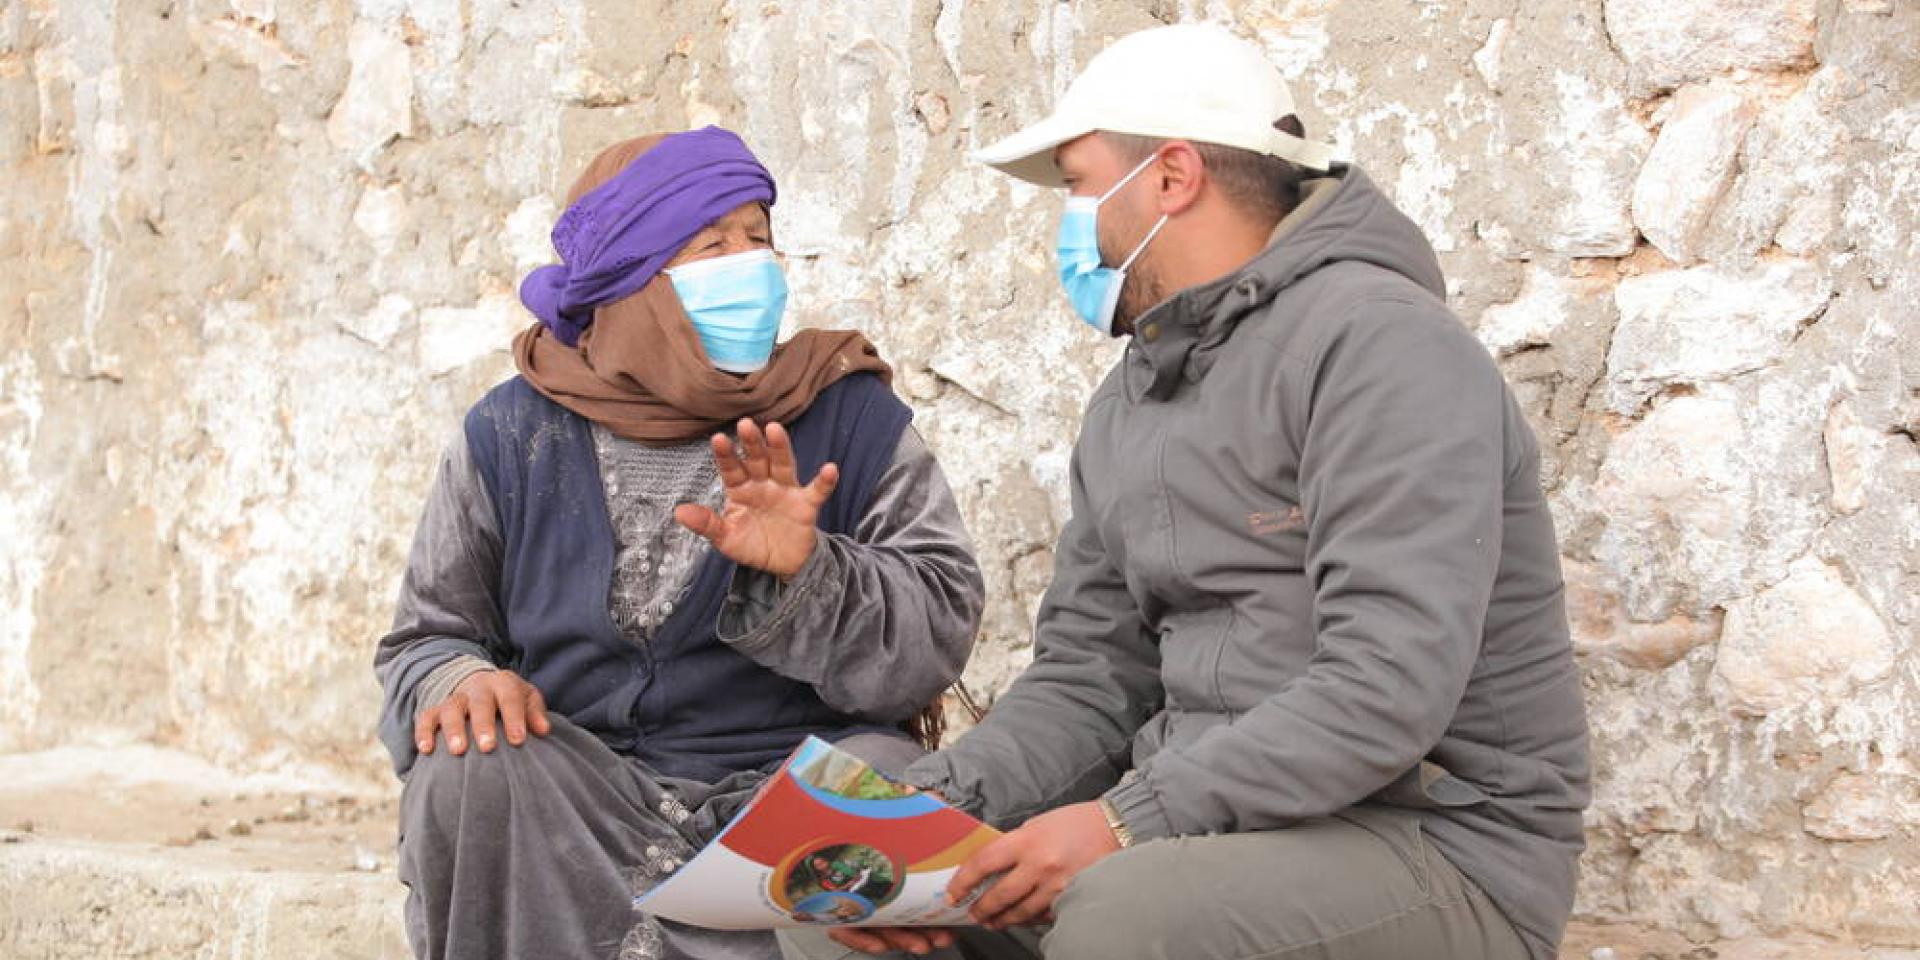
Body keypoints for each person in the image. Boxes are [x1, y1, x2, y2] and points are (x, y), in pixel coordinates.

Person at [792, 23, 1590, 960]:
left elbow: (1388, 682)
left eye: (1082, 187)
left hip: (1437, 844)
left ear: (1172, 178)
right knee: (846, 899)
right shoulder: (1128, 402)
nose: (1070, 223)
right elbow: (1091, 679)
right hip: (1196, 828)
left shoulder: (1383, 348)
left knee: (1129, 916)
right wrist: (933, 815)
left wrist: (1125, 820)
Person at [374, 126, 985, 960]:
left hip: (786, 787)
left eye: (759, 239)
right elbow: (427, 637)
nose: (750, 266)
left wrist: (812, 574)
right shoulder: (510, 432)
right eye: (712, 246)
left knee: (887, 794)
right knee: (467, 767)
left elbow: (936, 636)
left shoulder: (851, 415)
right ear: (630, 283)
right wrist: (462, 678)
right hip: (580, 799)